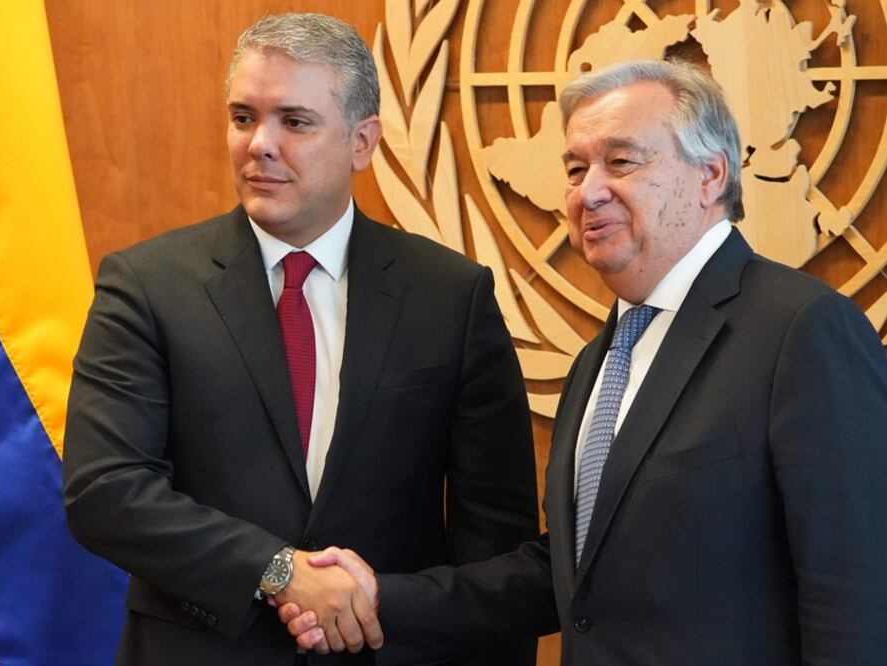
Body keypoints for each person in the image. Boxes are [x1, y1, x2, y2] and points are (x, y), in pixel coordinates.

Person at [282, 58, 887, 664]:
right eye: (575, 169)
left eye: (621, 161)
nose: (588, 191)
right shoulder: (600, 359)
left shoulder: (802, 331)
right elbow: (572, 571)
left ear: (710, 175)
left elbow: (855, 595)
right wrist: (378, 597)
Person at [62, 12, 541, 665]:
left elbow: (495, 550)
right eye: (242, 117)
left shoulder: (449, 297)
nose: (259, 143)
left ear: (362, 142)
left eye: (294, 121)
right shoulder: (147, 286)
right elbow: (105, 492)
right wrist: (277, 569)